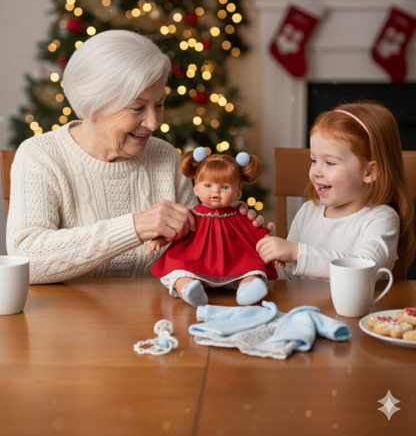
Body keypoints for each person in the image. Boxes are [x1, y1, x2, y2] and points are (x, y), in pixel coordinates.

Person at [6, 30, 271, 284]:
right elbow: (26, 257)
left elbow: (196, 251)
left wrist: (224, 222)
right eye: (137, 107)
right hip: (67, 322)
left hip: (156, 319)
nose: (154, 122)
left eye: (159, 104)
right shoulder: (41, 156)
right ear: (92, 105)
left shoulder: (165, 156)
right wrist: (133, 228)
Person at [256, 102, 415, 281]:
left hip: (362, 310)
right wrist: (258, 252)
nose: (316, 171)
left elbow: (365, 268)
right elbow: (287, 277)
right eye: (313, 160)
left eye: (330, 163)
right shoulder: (307, 212)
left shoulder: (382, 219)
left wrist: (298, 253)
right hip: (301, 309)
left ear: (369, 172)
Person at [147, 148, 278, 307]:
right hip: (196, 261)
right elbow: (174, 229)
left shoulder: (240, 214)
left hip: (234, 261)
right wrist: (159, 240)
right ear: (196, 189)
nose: (216, 190)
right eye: (208, 185)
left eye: (225, 187)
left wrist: (272, 249)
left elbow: (255, 233)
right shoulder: (190, 215)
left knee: (253, 270)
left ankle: (247, 288)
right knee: (179, 272)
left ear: (238, 193)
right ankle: (189, 290)